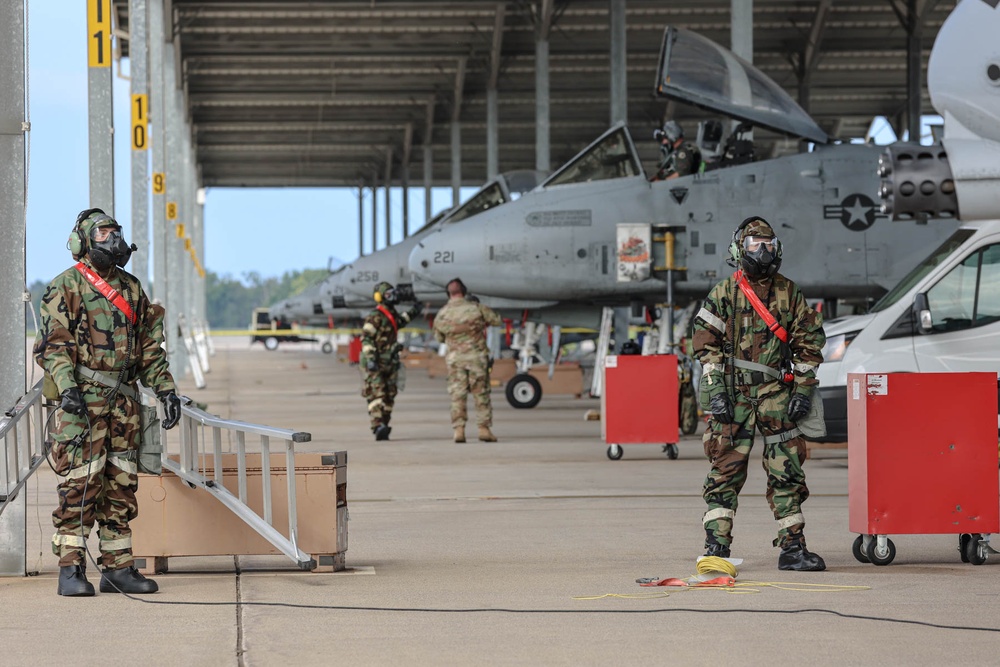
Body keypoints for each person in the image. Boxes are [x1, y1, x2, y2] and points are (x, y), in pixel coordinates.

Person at [34, 208, 182, 597]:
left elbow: (150, 348)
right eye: (103, 233)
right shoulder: (65, 286)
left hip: (123, 405)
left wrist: (165, 388)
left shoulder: (132, 289)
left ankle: (118, 568)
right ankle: (70, 569)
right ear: (82, 241)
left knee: (120, 486)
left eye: (115, 232)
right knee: (80, 486)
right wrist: (66, 388)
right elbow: (54, 347)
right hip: (81, 404)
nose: (113, 239)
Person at [691, 216, 826, 571]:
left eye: (768, 245)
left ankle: (793, 548)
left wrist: (803, 389)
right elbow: (706, 345)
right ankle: (715, 548)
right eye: (754, 245)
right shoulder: (723, 292)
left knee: (787, 472)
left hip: (776, 395)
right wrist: (715, 391)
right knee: (724, 471)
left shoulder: (789, 292)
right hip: (733, 396)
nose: (762, 252)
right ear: (739, 249)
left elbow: (808, 344)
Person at [432, 278, 502, 443]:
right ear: (464, 291)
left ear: (448, 293)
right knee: (481, 393)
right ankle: (484, 429)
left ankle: (459, 431)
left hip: (455, 360)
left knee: (458, 395)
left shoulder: (442, 313)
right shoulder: (476, 308)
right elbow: (496, 320)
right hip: (476, 358)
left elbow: (439, 337)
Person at [360, 281, 423, 441]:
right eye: (388, 294)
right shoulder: (375, 316)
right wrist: (371, 359)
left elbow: (399, 322)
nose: (392, 297)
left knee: (389, 395)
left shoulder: (391, 314)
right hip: (376, 362)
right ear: (379, 297)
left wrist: (415, 310)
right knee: (377, 394)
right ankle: (377, 425)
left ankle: (384, 424)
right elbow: (366, 338)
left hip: (391, 362)